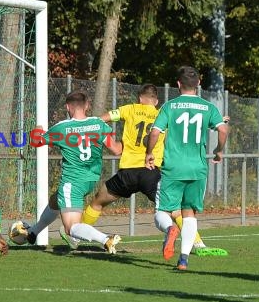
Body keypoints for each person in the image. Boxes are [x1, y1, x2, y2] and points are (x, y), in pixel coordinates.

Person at [81, 84, 226, 255]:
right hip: (151, 171)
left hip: (127, 172)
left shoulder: (129, 109)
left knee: (98, 201)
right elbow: (186, 126)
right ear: (156, 101)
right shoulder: (162, 113)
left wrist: (85, 125)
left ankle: (76, 235)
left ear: (139, 99)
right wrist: (217, 121)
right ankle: (198, 244)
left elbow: (101, 119)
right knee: (174, 210)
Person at [146, 66, 228, 270]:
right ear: (199, 84)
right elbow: (223, 129)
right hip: (197, 168)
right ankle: (183, 259)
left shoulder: (170, 106)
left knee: (162, 211)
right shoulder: (208, 107)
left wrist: (149, 152)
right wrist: (218, 150)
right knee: (189, 212)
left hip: (173, 167)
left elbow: (155, 132)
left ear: (178, 84)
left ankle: (169, 230)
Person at [27, 91, 123, 253]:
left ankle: (106, 239)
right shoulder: (98, 124)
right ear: (87, 106)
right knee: (55, 200)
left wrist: (37, 129)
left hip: (73, 181)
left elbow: (35, 142)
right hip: (91, 180)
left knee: (71, 228)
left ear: (67, 107)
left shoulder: (62, 128)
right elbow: (116, 150)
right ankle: (33, 232)